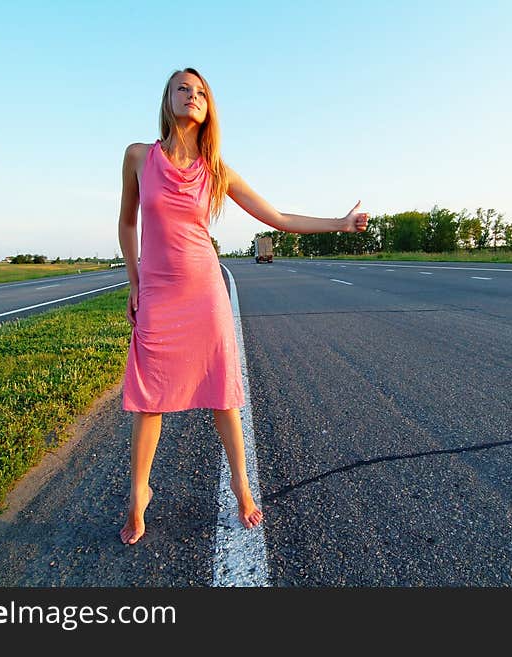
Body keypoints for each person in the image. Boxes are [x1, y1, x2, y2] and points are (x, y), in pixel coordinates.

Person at [117, 67, 369, 545]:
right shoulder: (137, 157)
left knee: (222, 392)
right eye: (183, 89)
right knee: (149, 400)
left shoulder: (217, 169)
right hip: (157, 292)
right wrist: (134, 281)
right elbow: (127, 225)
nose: (192, 96)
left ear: (209, 109)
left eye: (201, 93)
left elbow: (276, 217)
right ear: (167, 99)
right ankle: (138, 493)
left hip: (204, 294)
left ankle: (241, 484)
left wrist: (341, 221)